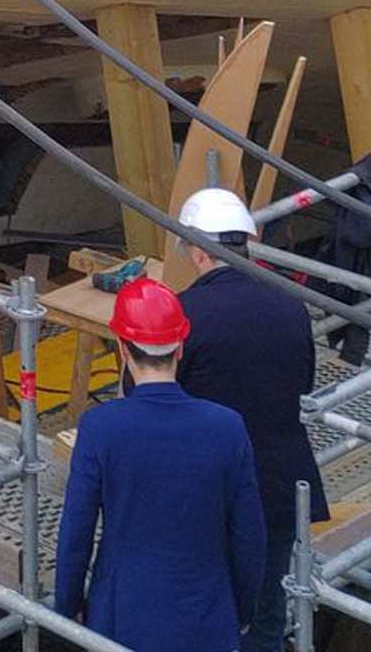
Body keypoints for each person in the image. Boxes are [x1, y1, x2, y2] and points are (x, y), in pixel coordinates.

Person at [54, 276, 266, 652]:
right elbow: (249, 536)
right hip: (208, 620)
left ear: (122, 348)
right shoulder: (227, 427)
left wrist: (66, 609)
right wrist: (242, 611)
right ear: (180, 348)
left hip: (122, 620)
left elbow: (76, 534)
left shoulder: (102, 427)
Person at [177, 185, 328, 652]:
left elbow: (153, 395)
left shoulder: (184, 313)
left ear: (198, 251)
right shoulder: (290, 307)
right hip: (281, 484)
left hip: (212, 490)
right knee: (265, 617)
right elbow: (303, 383)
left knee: (204, 612)